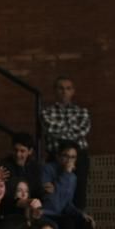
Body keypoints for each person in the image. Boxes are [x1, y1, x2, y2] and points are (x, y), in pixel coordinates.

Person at [41, 140, 103, 229]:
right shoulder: (47, 169)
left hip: (61, 214)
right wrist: (66, 174)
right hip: (48, 213)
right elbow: (53, 203)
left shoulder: (72, 177)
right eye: (66, 156)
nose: (69, 160)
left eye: (73, 157)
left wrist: (81, 214)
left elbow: (67, 203)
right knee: (68, 223)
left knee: (85, 223)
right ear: (58, 156)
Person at [41, 76, 91, 210]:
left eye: (68, 88)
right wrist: (71, 130)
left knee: (79, 190)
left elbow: (83, 130)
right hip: (55, 156)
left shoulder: (82, 112)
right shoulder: (47, 112)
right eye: (61, 88)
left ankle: (77, 221)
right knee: (55, 190)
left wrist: (62, 131)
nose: (64, 92)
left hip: (79, 157)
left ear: (73, 91)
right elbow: (51, 129)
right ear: (55, 91)